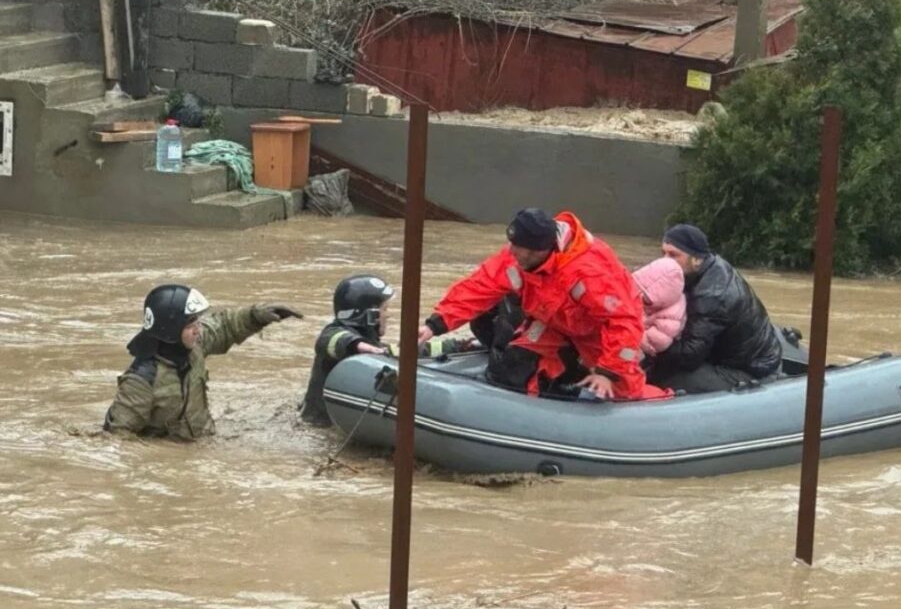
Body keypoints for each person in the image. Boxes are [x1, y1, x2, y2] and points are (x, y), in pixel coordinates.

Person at [417, 208, 668, 401]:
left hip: (598, 333)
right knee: (516, 362)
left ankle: (666, 401)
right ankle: (538, 409)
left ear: (538, 250)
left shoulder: (589, 272)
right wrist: (434, 324)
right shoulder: (520, 255)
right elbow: (480, 286)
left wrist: (608, 371)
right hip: (553, 323)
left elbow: (623, 320)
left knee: (624, 392)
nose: (511, 251)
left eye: (518, 247)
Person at [104, 284, 303, 440]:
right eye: (190, 325)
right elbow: (119, 438)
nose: (198, 330)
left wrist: (256, 316)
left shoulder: (194, 346)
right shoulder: (141, 381)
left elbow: (225, 326)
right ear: (170, 330)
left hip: (202, 441)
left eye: (197, 322)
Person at [651, 223, 782, 393]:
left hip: (751, 370)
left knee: (660, 378)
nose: (665, 261)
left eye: (673, 255)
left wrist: (651, 345)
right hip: (732, 353)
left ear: (697, 259)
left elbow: (690, 355)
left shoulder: (712, 295)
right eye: (663, 254)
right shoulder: (706, 267)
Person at [299, 274, 395, 427]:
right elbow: (330, 341)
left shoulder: (372, 342)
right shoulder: (335, 333)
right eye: (385, 309)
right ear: (371, 315)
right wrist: (358, 345)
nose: (388, 315)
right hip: (319, 425)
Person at [631, 257, 687, 359]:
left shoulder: (674, 313)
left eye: (646, 298)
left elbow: (659, 341)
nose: (640, 297)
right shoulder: (636, 286)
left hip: (640, 347)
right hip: (629, 330)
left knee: (625, 356)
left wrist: (632, 332)